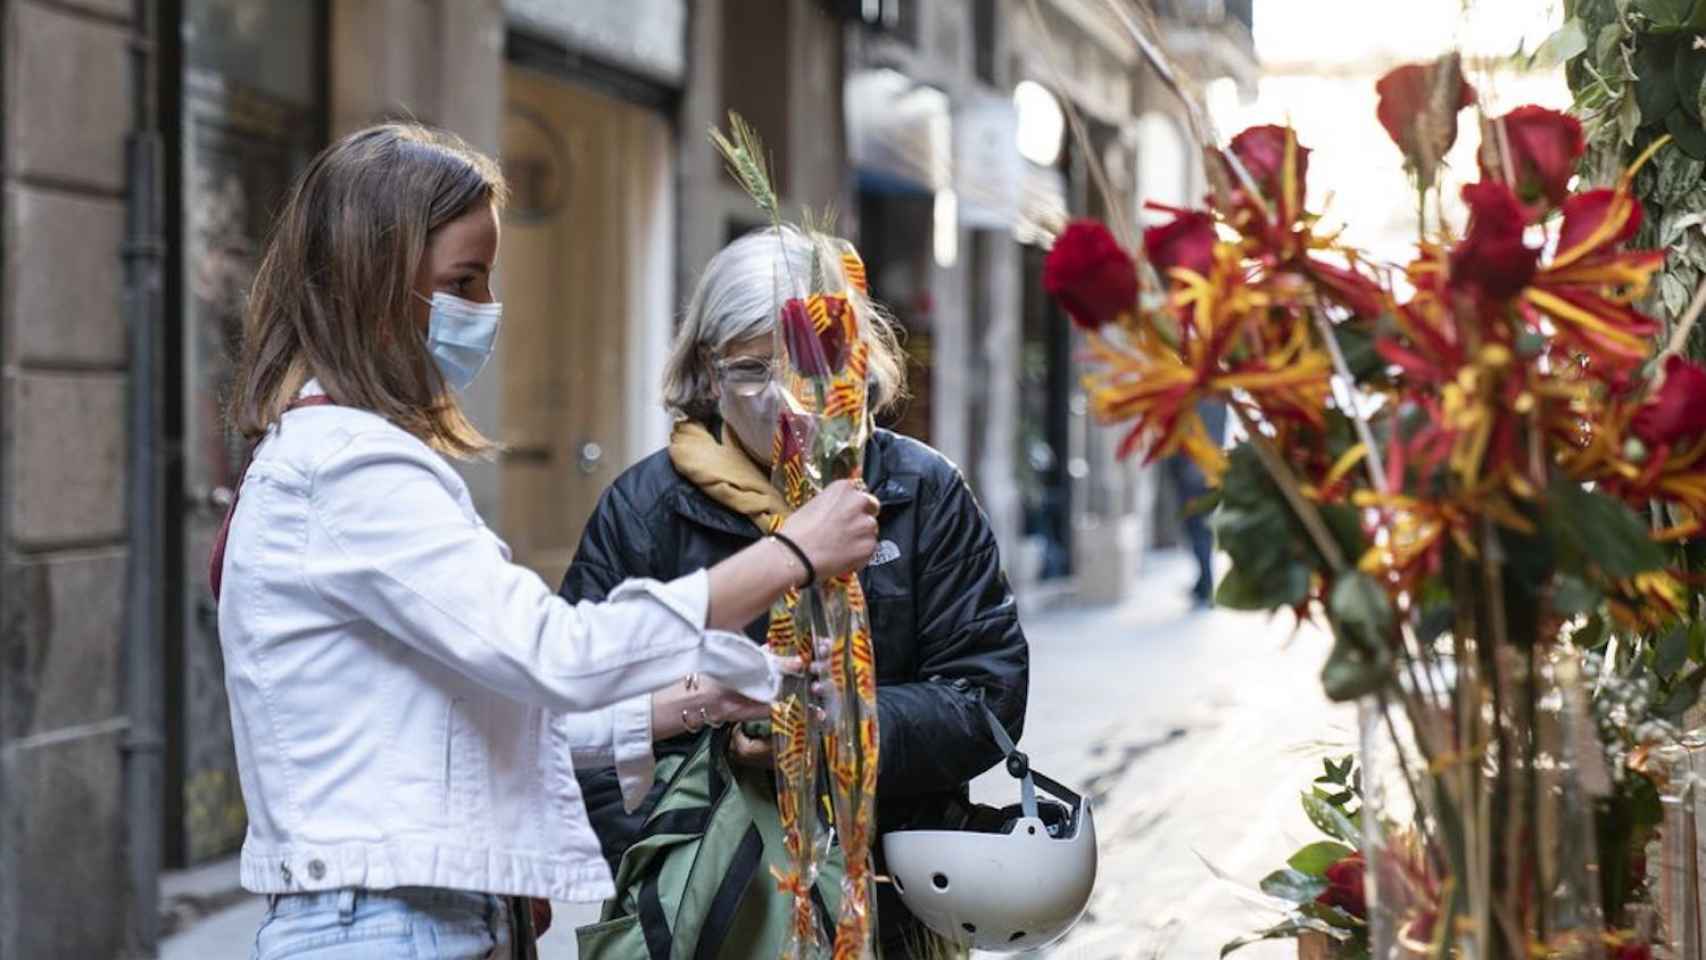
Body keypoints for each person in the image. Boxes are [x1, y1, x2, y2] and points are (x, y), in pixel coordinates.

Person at [215, 124, 880, 960]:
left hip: (415, 921)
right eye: (463, 281)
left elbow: (475, 720)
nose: (485, 310)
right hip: (388, 929)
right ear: (372, 287)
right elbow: (553, 654)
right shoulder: (349, 466)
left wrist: (702, 699)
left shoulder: (339, 457)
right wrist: (791, 556)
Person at [559, 227, 1029, 957]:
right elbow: (577, 711)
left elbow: (987, 692)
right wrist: (674, 861)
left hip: (892, 904)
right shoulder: (643, 509)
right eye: (752, 370)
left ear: (855, 357)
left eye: (815, 363)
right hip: (711, 912)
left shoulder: (919, 489)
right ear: (708, 374)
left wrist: (843, 720)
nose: (788, 401)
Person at [1165, 398, 1229, 608]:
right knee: (1201, 530)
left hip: (1195, 473)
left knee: (1198, 531)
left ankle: (1206, 585)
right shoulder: (1218, 398)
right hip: (1208, 472)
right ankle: (1204, 582)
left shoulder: (1197, 398)